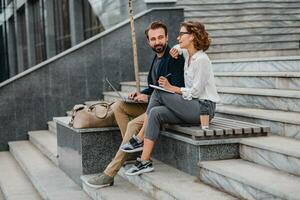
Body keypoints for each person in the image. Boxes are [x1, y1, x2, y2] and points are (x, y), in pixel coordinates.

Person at [85, 21, 185, 188]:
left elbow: (175, 89)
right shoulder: (156, 58)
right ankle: (133, 152)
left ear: (167, 37)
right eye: (153, 39)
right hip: (152, 102)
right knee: (118, 106)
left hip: (166, 108)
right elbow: (155, 86)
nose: (157, 42)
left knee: (132, 125)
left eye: (160, 37)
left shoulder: (174, 57)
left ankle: (109, 173)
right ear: (148, 42)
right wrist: (142, 94)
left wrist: (150, 97)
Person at [121, 21, 220, 176]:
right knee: (155, 113)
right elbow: (176, 48)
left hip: (204, 109)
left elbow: (195, 92)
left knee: (159, 92)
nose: (178, 37)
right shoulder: (187, 54)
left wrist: (172, 88)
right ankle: (144, 161)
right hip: (191, 106)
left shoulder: (202, 60)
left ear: (192, 36)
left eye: (181, 34)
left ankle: (139, 137)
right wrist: (176, 48)